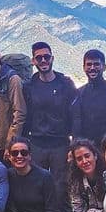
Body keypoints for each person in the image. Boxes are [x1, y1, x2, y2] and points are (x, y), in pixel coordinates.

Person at [22, 41, 77, 177]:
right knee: (37, 183)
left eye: (46, 57)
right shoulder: (29, 86)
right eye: (39, 58)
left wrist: (74, 144)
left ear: (52, 58)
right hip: (36, 143)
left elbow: (75, 115)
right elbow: (25, 115)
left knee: (61, 185)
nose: (43, 60)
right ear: (33, 61)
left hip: (60, 143)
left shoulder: (66, 84)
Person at [70, 49, 106, 154]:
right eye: (89, 65)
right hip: (88, 152)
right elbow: (76, 124)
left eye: (96, 64)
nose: (92, 68)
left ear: (104, 67)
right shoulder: (79, 93)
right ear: (84, 67)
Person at [64, 139, 106, 212]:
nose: (84, 161)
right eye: (79, 159)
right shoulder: (75, 182)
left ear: (95, 156)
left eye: (87, 156)